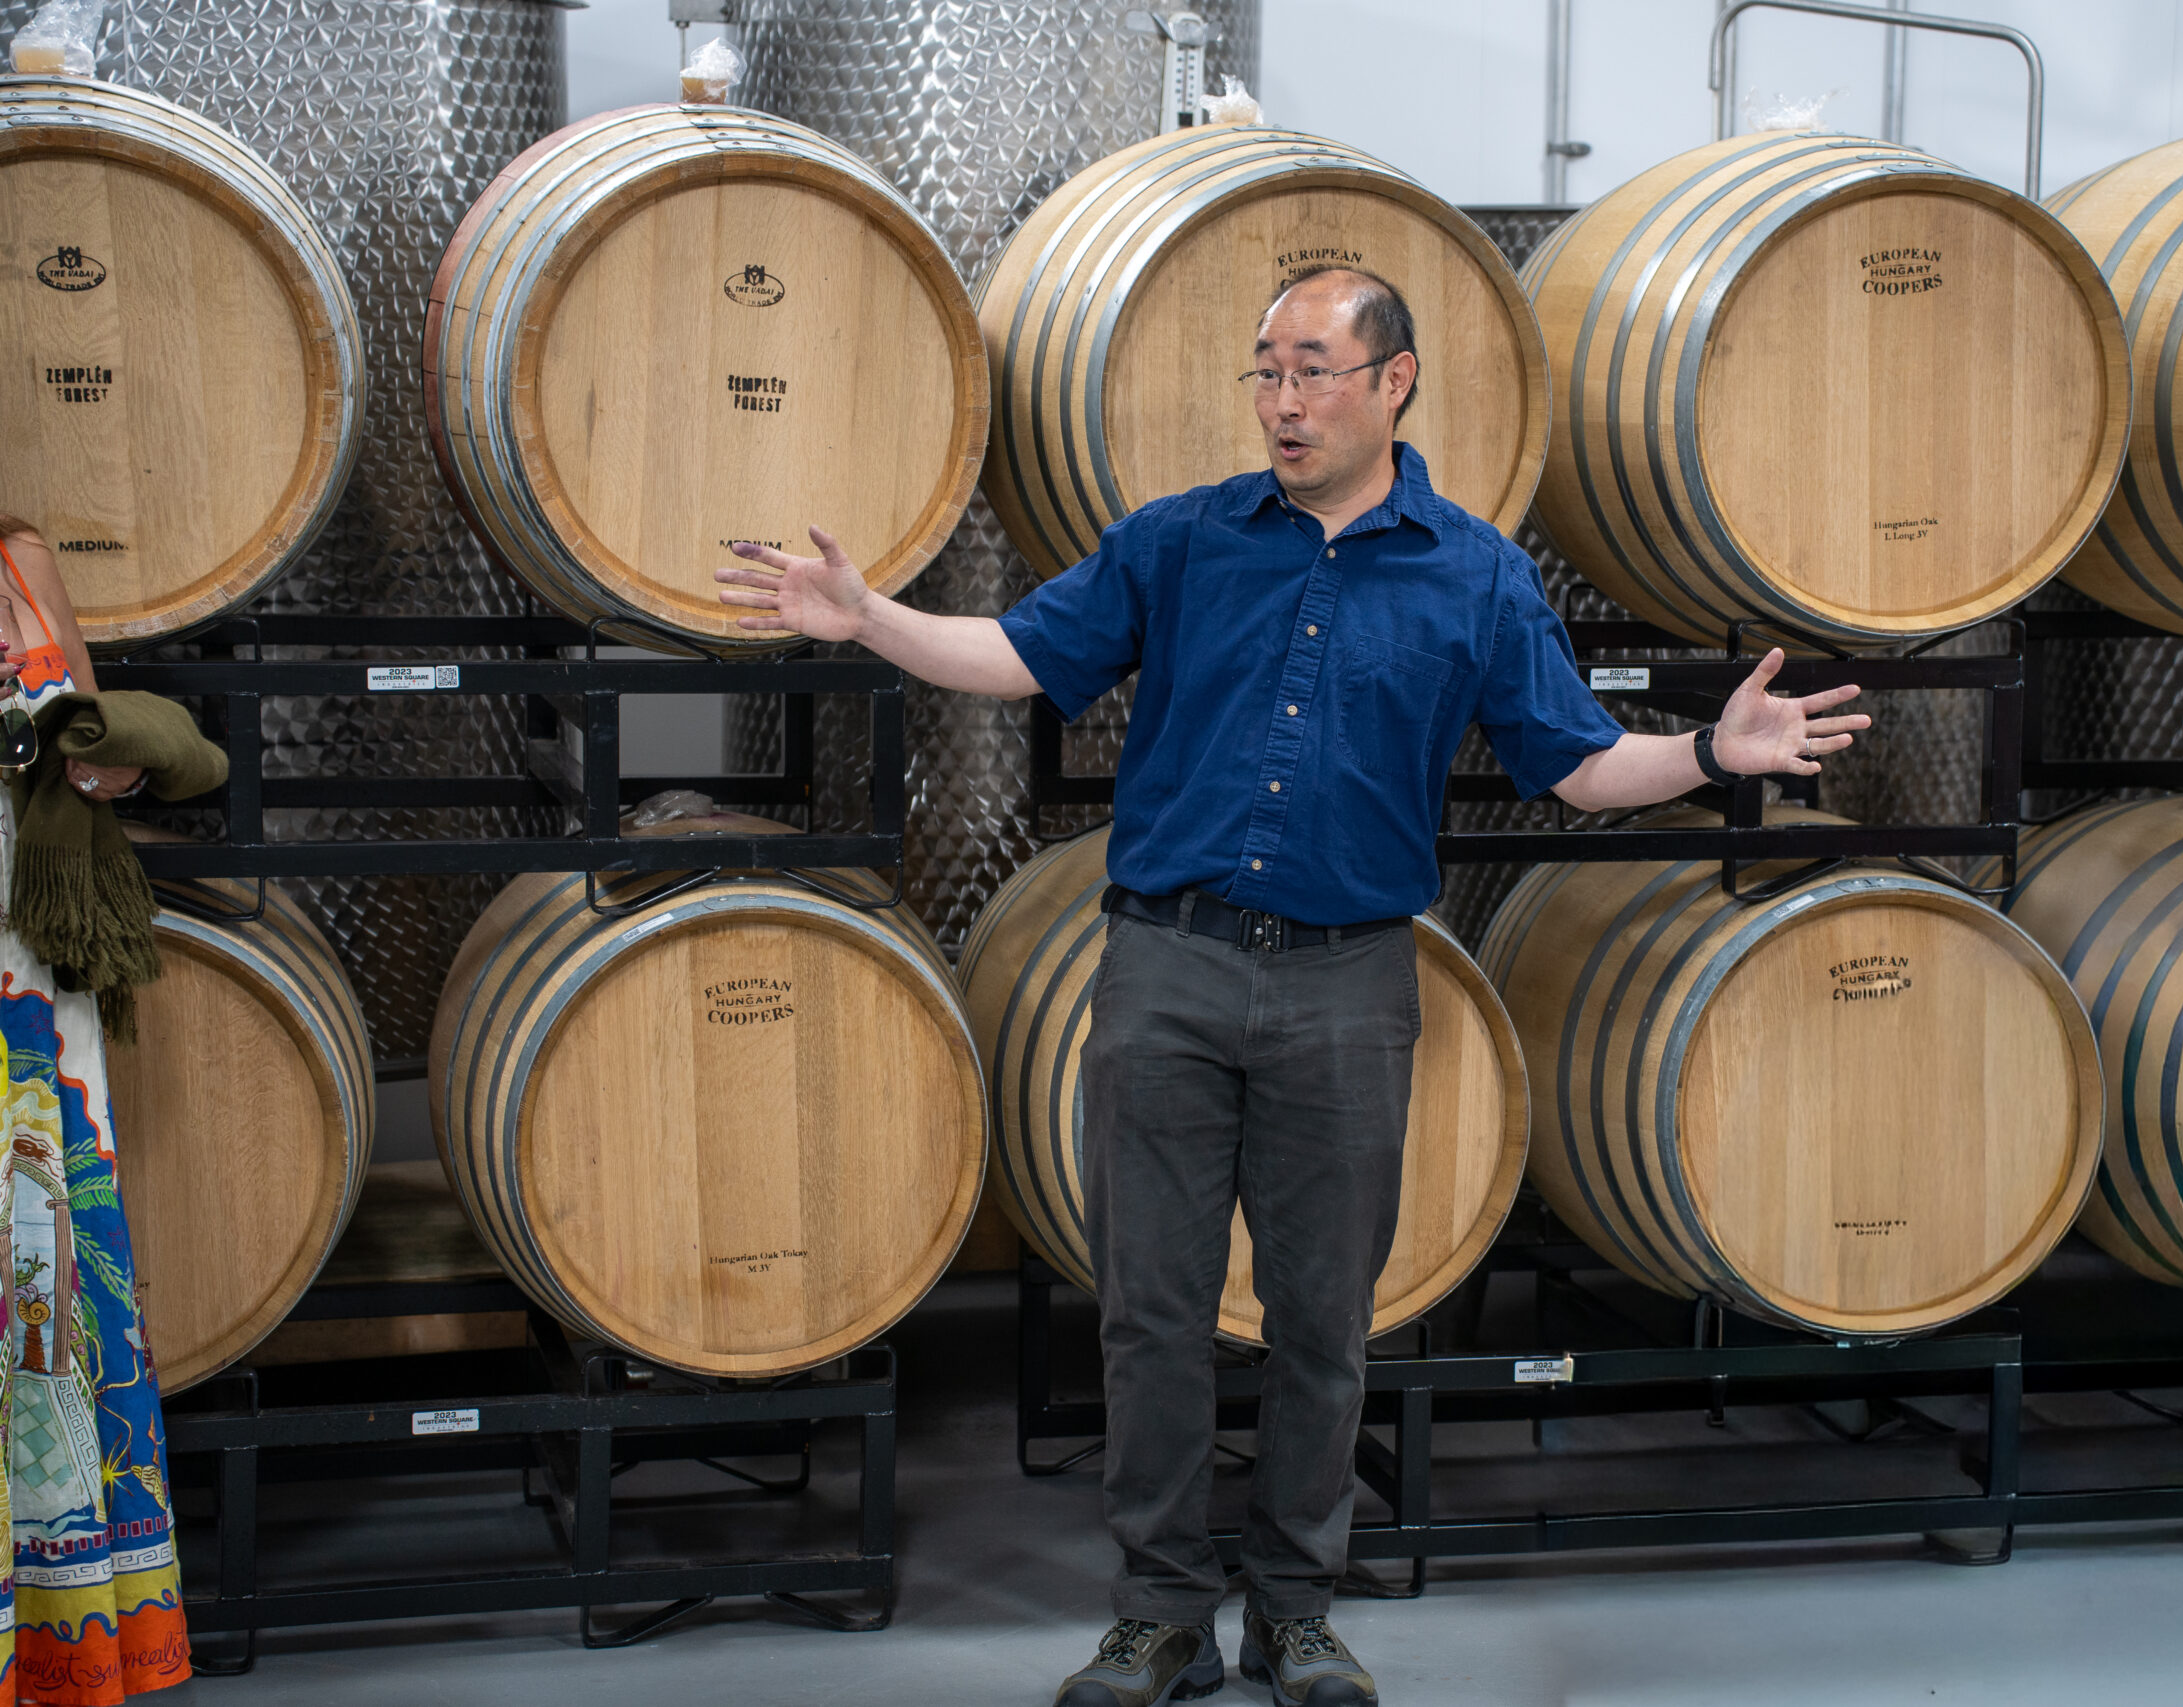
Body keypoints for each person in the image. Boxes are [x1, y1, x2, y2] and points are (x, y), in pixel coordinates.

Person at [717, 269, 1865, 1707]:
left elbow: (1577, 764)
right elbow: (1016, 653)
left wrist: (1710, 753)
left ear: (1394, 384)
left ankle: (1299, 1609)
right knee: (1149, 1308)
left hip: (1349, 980)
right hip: (1166, 963)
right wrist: (868, 615)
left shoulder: (1477, 571)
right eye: (1265, 371)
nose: (1283, 400)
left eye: (1314, 370)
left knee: (1323, 1316)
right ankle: (1157, 1613)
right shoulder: (1184, 540)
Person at [0, 514, 192, 1704]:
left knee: (38, 1299)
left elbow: (95, 753)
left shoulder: (20, 562)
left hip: (23, 982)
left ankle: (51, 1645)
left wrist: (103, 759)